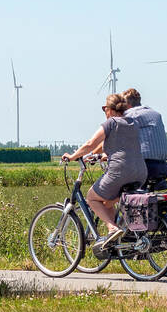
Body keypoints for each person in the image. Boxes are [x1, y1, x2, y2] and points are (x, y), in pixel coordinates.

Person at [62, 93, 148, 249]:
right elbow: (112, 144)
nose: (104, 112)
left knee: (91, 198)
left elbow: (90, 143)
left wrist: (73, 156)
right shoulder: (133, 123)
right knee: (107, 202)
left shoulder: (110, 123)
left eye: (104, 109)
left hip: (120, 172)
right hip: (141, 172)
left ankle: (112, 228)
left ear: (109, 109)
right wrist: (94, 154)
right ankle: (112, 241)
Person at [121, 88, 167, 184]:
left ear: (127, 104)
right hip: (163, 167)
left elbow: (116, 136)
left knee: (112, 188)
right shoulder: (155, 114)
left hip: (143, 166)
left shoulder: (130, 115)